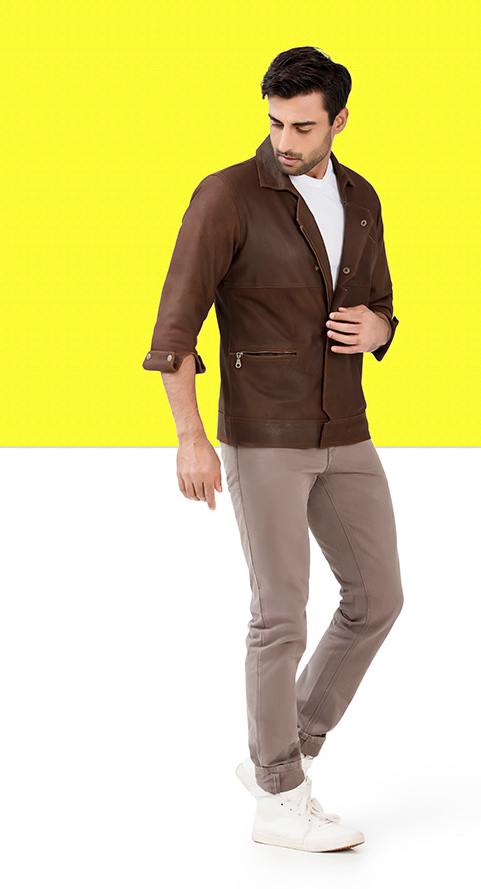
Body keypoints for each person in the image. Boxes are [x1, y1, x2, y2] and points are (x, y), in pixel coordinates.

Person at [143, 46, 404, 853]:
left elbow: (383, 304)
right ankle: (279, 798)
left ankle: (282, 752)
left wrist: (380, 328)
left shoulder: (361, 198)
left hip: (346, 429)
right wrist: (191, 439)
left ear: (339, 120)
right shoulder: (226, 196)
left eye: (303, 126)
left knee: (377, 598)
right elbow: (175, 330)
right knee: (280, 615)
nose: (284, 141)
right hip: (263, 439)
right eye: (275, 122)